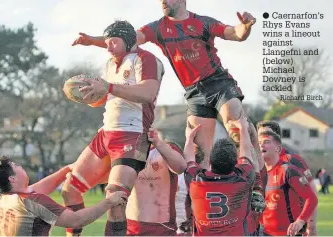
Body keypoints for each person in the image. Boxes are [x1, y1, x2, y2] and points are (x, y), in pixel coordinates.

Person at [72, 0, 256, 169]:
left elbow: (235, 33)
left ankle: (254, 183)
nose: (163, 2)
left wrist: (245, 26)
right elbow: (126, 39)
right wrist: (92, 41)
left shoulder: (203, 22)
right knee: (198, 156)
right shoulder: (158, 28)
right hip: (193, 92)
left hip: (218, 82)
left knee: (235, 124)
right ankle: (203, 198)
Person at [63, 20, 165, 236]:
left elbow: (147, 93)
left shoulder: (147, 59)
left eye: (113, 42)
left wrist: (107, 87)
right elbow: (108, 96)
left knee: (116, 201)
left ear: (128, 41)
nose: (108, 48)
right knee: (70, 190)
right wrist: (92, 96)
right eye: (106, 42)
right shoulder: (111, 63)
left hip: (132, 134)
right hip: (106, 133)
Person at [0, 155, 127, 237]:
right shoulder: (33, 201)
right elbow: (76, 220)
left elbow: (40, 187)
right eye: (16, 166)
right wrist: (109, 202)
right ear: (12, 178)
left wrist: (67, 169)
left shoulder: (4, 199)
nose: (20, 167)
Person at [184, 115, 264, 236]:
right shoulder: (244, 178)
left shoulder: (195, 180)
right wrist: (243, 128)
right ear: (235, 163)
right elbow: (246, 155)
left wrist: (189, 138)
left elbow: (189, 159)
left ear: (210, 162)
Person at [257, 120, 318, 235]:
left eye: (266, 138)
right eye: (259, 138)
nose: (261, 144)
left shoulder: (293, 161)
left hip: (292, 227)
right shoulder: (258, 167)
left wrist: (311, 225)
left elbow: (311, 192)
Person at [126, 128, 187, 236]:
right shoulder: (126, 151)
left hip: (161, 230)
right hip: (130, 229)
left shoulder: (167, 148)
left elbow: (180, 167)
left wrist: (157, 142)